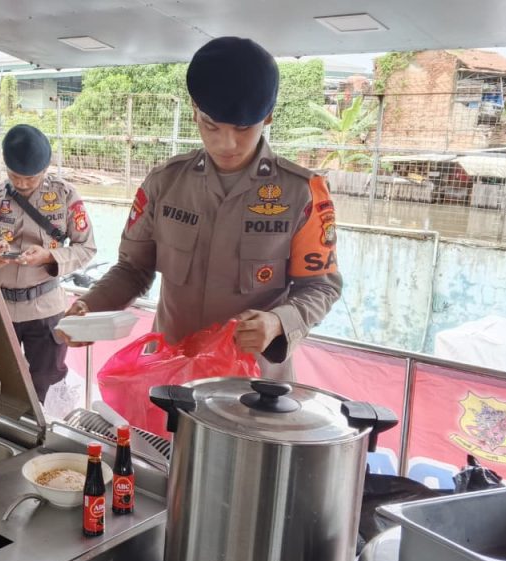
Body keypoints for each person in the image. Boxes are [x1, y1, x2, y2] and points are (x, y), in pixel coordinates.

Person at [64, 37, 342, 381]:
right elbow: (133, 268)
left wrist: (278, 322)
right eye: (211, 125)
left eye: (243, 128)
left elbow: (321, 286)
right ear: (194, 110)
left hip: (251, 385)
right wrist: (90, 307)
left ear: (268, 115)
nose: (227, 143)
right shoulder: (165, 183)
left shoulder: (301, 193)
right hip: (169, 378)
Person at [0, 124, 97, 404]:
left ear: (45, 169)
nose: (23, 184)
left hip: (46, 312)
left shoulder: (65, 196)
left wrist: (49, 256)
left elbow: (86, 248)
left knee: (46, 385)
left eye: (31, 178)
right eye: (15, 176)